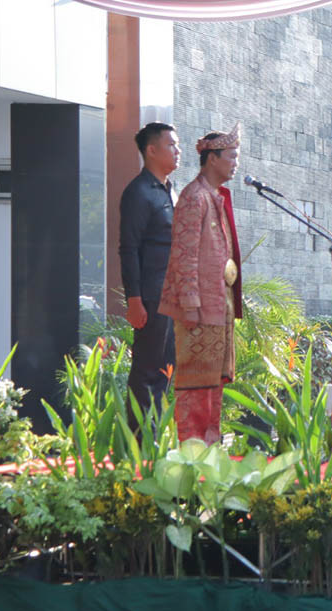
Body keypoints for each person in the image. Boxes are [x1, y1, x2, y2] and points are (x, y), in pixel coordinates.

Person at [159, 124, 243, 444]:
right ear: (212, 159)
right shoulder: (194, 197)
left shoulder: (214, 197)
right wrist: (190, 304)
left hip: (218, 306)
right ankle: (192, 455)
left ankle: (210, 450)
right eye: (231, 156)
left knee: (214, 385)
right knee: (196, 386)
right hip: (198, 311)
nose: (235, 163)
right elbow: (184, 255)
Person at [119, 122, 180, 426]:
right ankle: (139, 445)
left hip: (174, 295)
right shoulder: (139, 193)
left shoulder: (170, 191)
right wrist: (134, 299)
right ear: (151, 150)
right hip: (152, 295)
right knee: (147, 370)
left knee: (165, 369)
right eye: (171, 145)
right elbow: (128, 248)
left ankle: (156, 439)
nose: (178, 151)